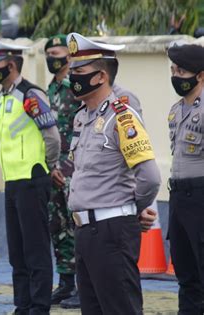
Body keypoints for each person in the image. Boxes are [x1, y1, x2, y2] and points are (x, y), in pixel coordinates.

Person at [65, 32, 161, 315]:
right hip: (85, 231)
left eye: (79, 71)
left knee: (121, 309)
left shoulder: (121, 117)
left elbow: (150, 177)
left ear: (100, 77)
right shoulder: (82, 117)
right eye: (72, 70)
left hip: (110, 230)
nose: (72, 77)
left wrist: (132, 209)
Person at [0, 35, 61, 314]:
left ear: (12, 65)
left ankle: (39, 306)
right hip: (13, 182)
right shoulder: (2, 97)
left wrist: (49, 165)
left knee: (36, 249)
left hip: (33, 179)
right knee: (17, 252)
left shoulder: (30, 95)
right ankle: (23, 304)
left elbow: (51, 135)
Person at [43, 34, 81, 309]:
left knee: (78, 224)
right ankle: (66, 283)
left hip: (75, 167)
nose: (52, 58)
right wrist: (51, 166)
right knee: (58, 226)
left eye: (57, 53)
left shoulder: (76, 88)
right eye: (48, 54)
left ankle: (84, 284)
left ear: (68, 57)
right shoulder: (49, 90)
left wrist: (66, 166)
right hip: (54, 167)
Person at [167, 43, 204, 315]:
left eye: (182, 71)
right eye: (173, 70)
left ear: (200, 75)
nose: (176, 76)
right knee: (185, 272)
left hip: (201, 196)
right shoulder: (176, 110)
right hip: (178, 196)